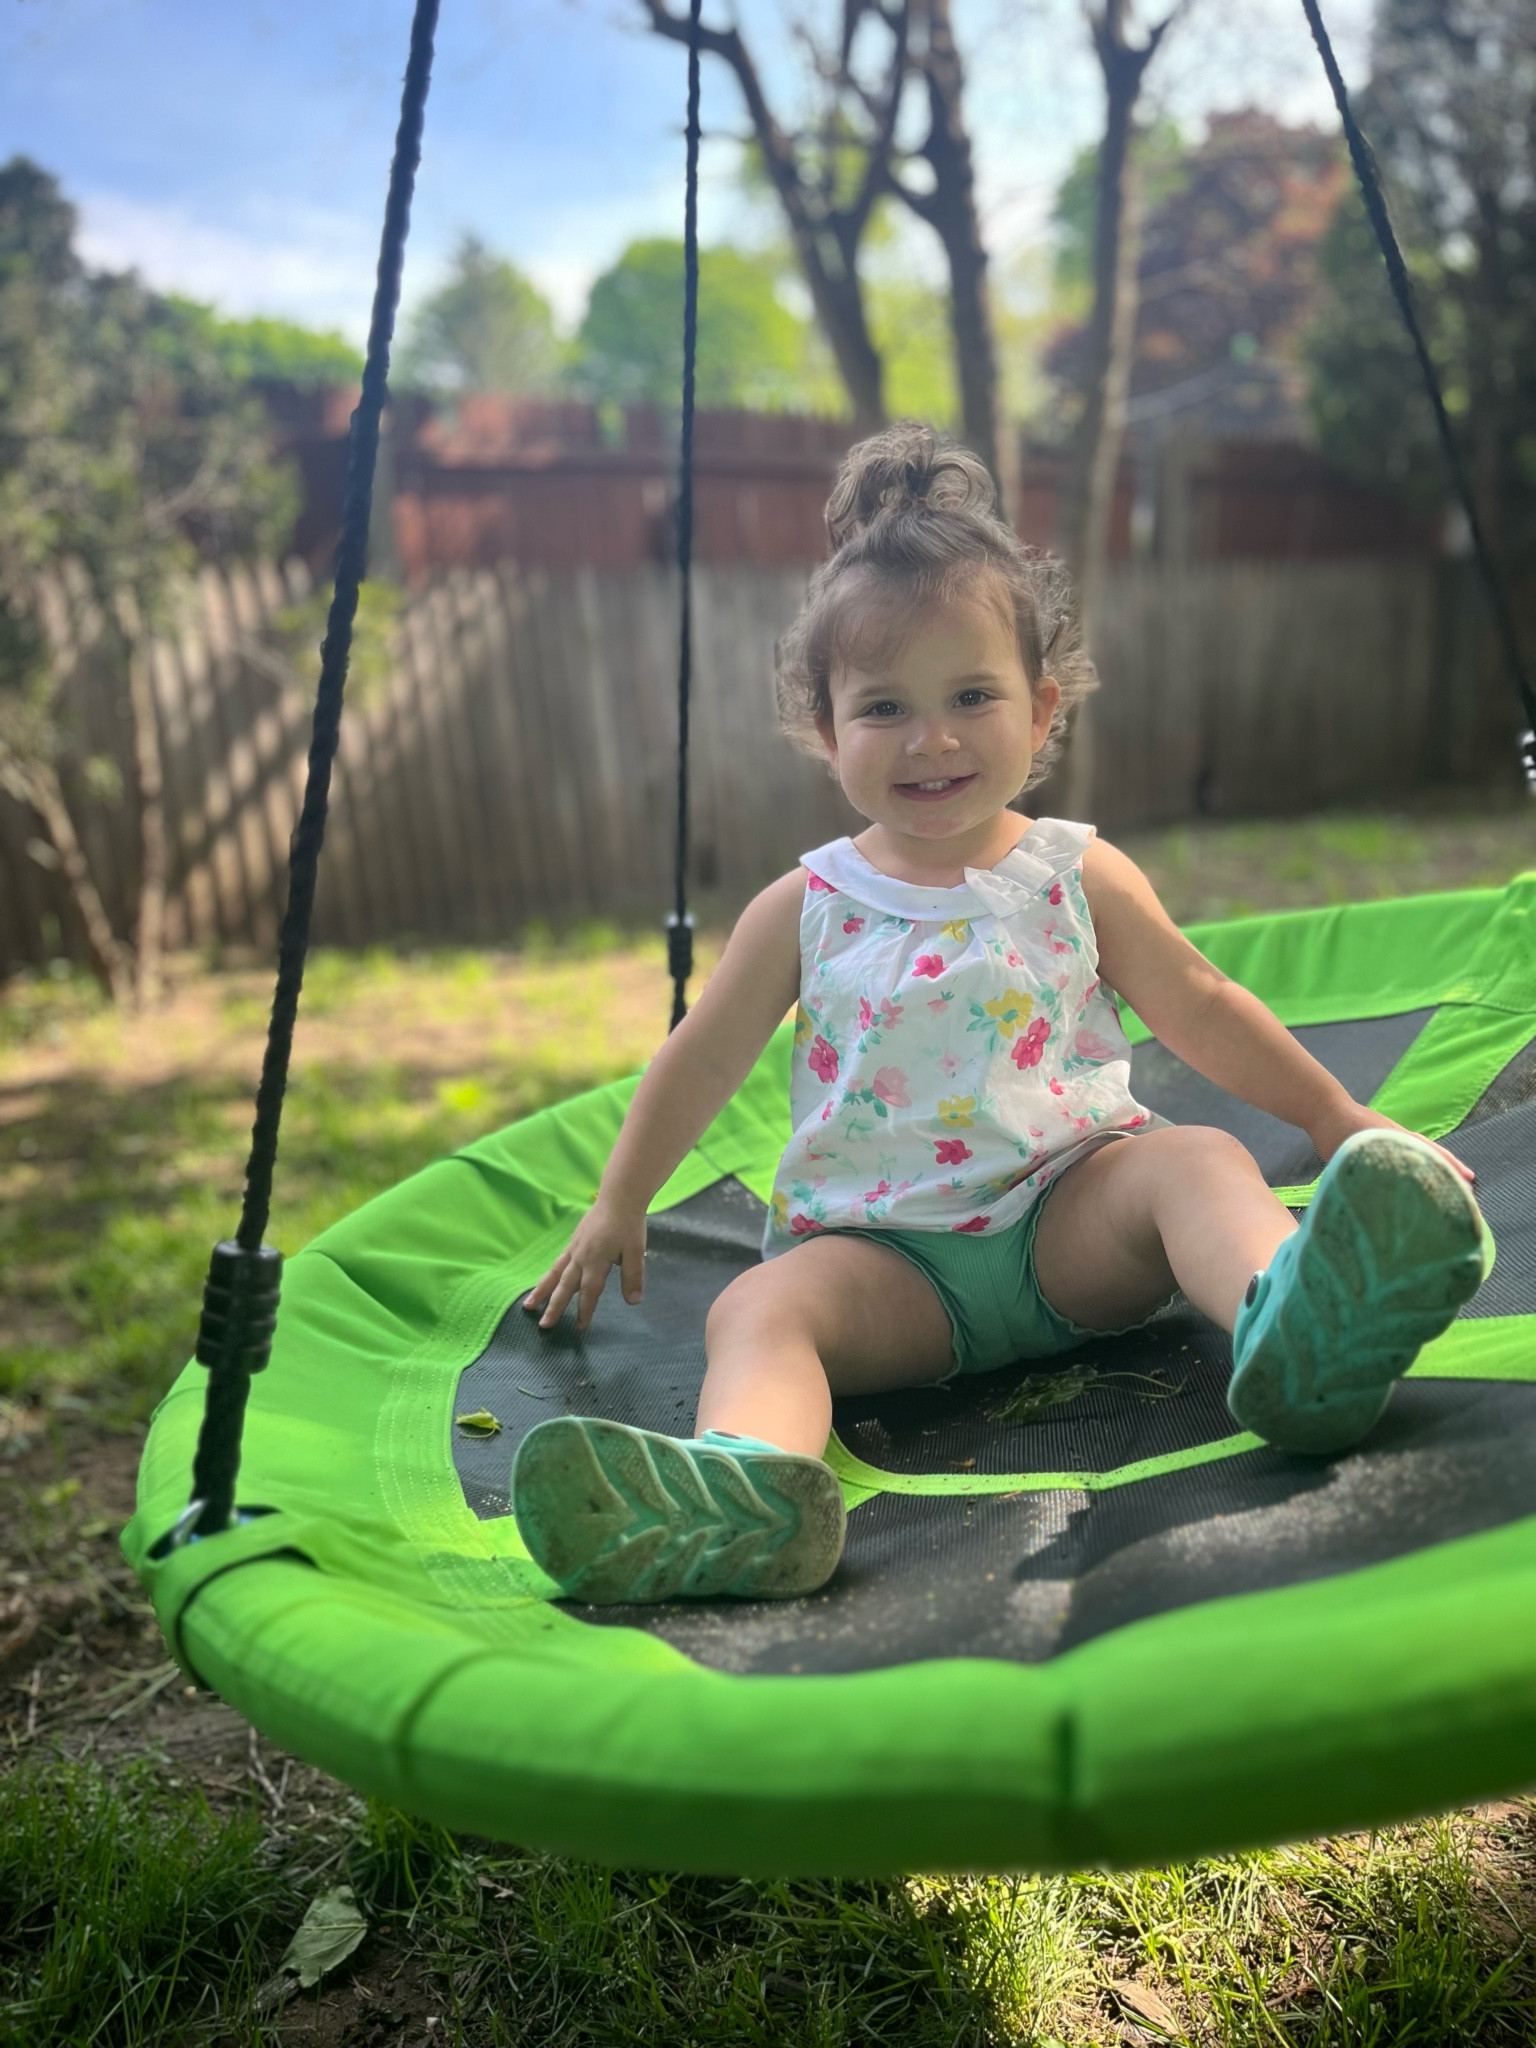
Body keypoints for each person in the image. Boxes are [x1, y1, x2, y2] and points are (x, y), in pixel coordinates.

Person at [511, 422, 1489, 1607]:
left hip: (1072, 1216)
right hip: (886, 1265)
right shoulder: (805, 904)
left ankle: (1295, 1326)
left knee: (1196, 1157)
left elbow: (1200, 1003)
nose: (932, 736)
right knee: (758, 1304)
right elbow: (699, 1053)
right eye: (884, 707)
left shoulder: (1078, 871)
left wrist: (1335, 1117)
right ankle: (751, 1488)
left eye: (972, 694)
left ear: (1039, 709)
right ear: (827, 730)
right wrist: (619, 1200)